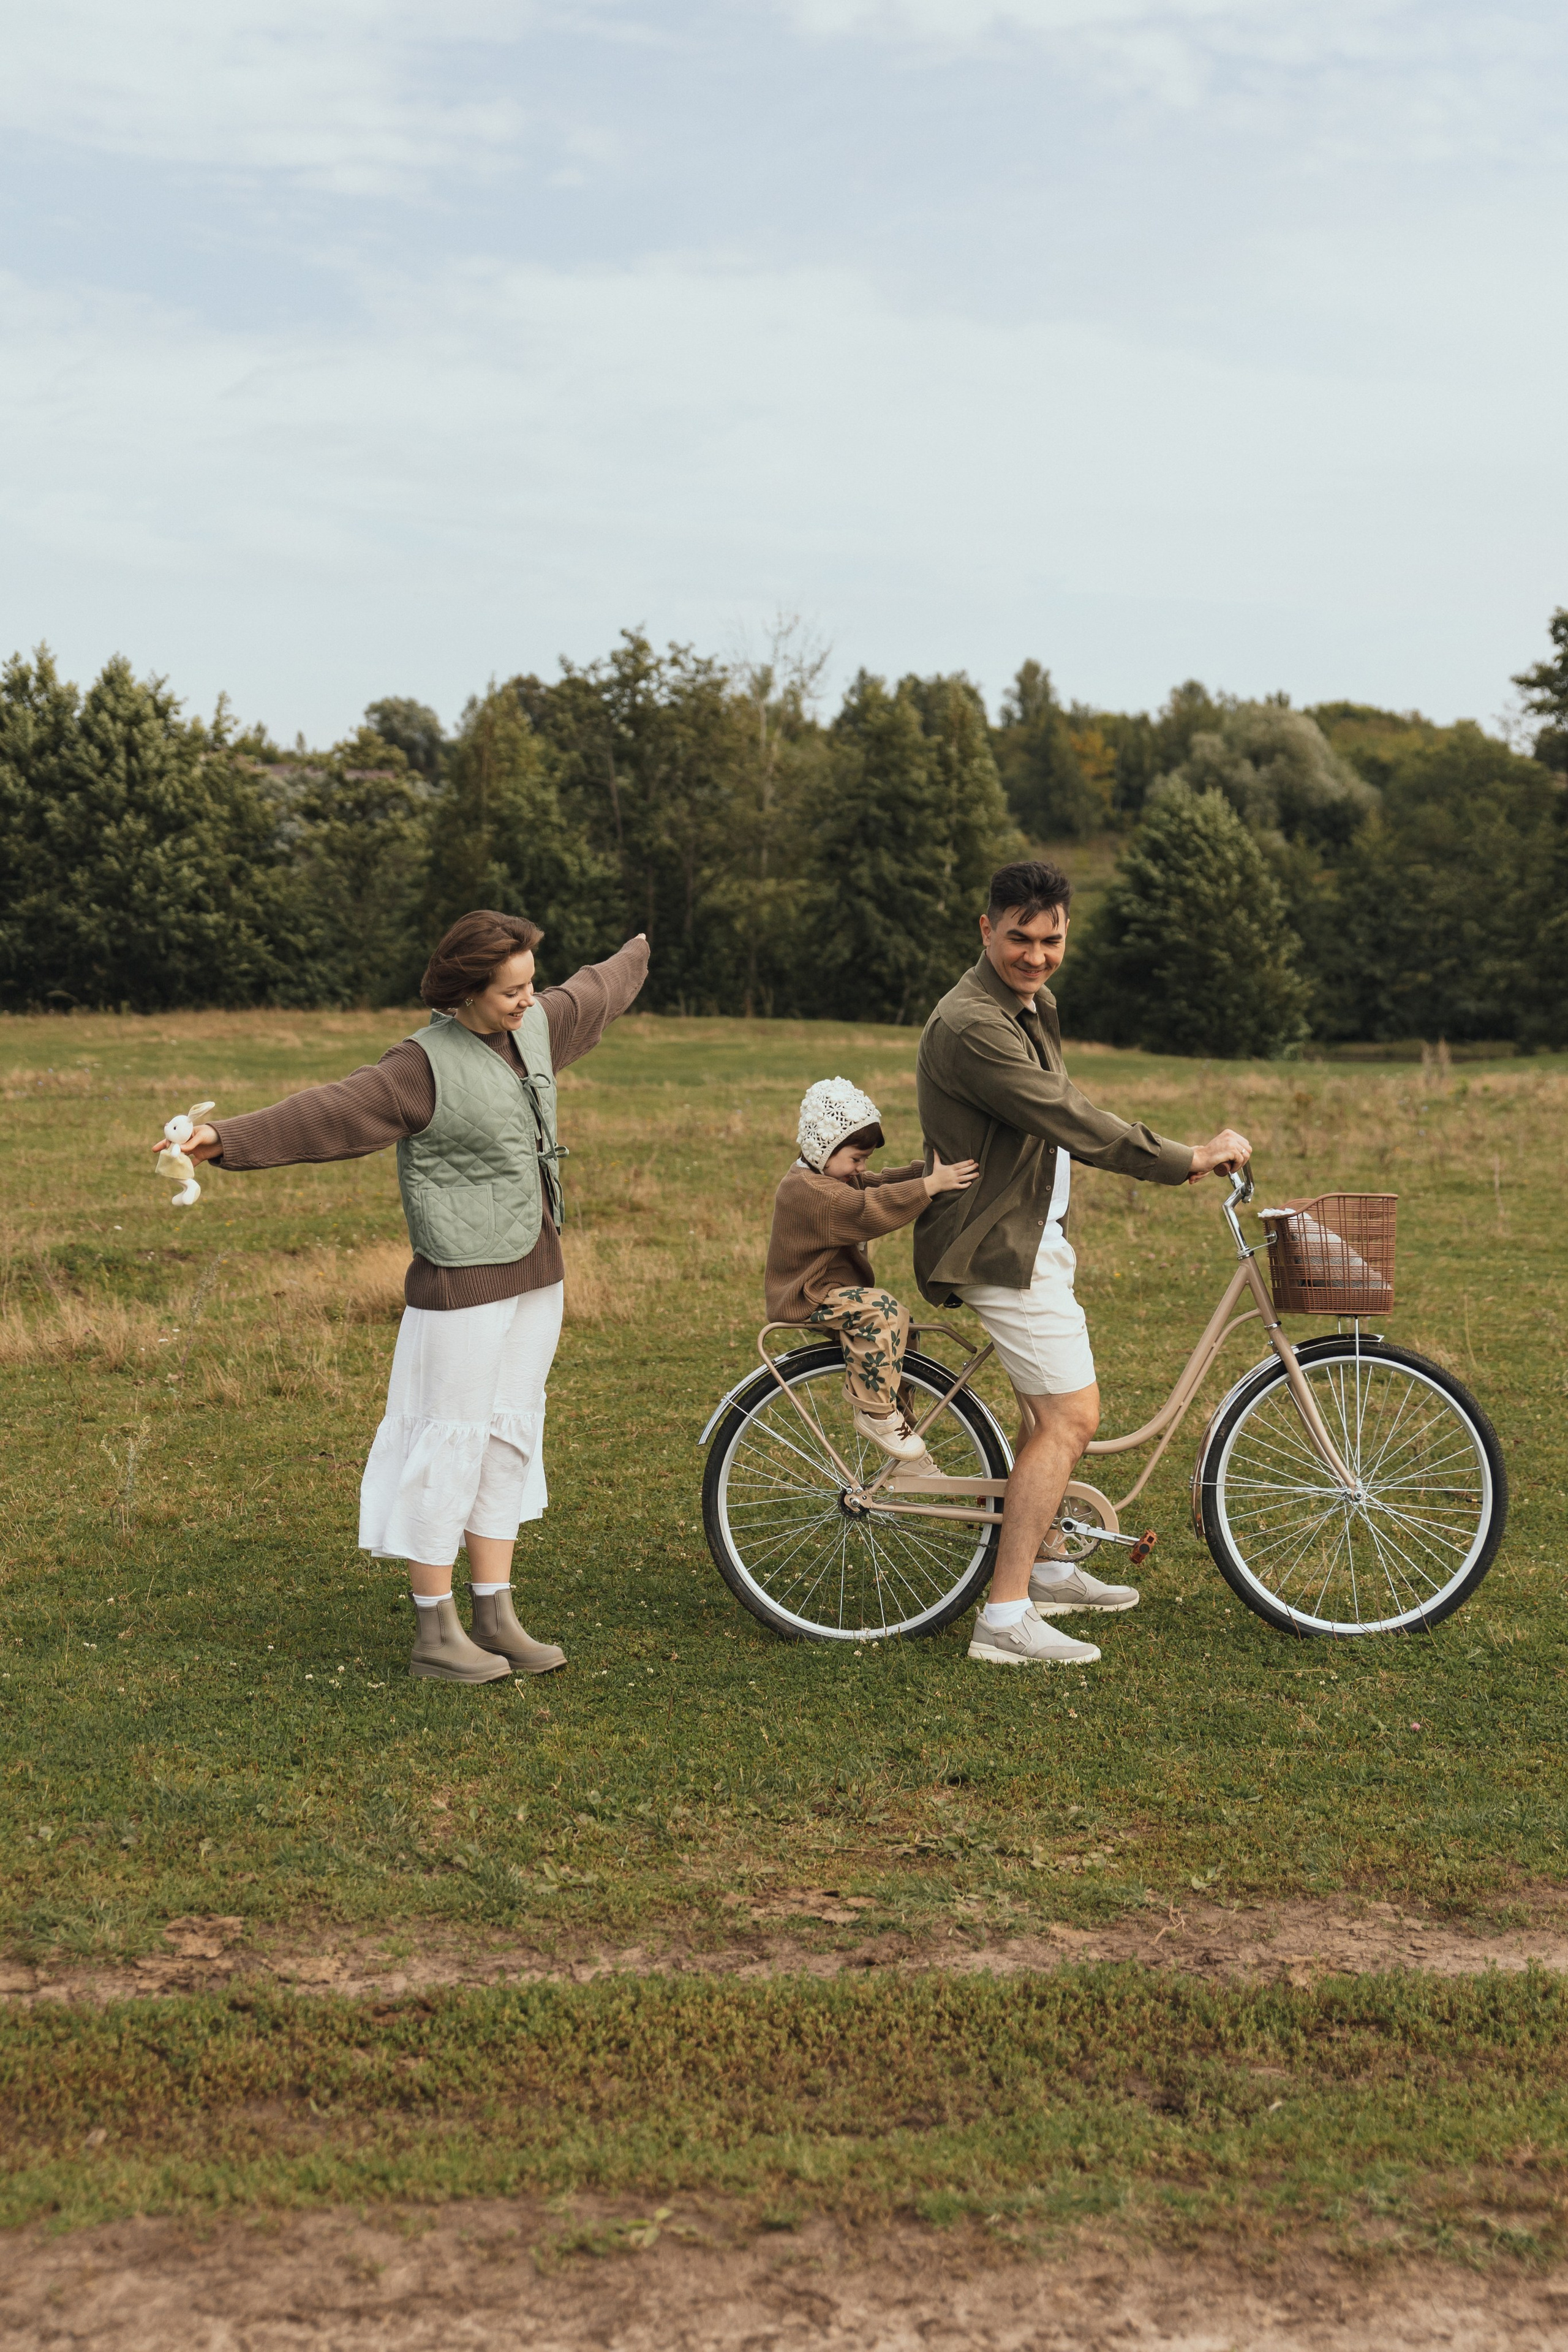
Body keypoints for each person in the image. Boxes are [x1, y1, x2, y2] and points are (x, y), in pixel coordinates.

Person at [152, 912, 649, 1686]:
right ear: (464, 992)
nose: (527, 1000)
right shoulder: (418, 1066)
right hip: (461, 1283)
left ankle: (495, 1613)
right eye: (510, 990)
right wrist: (222, 1142)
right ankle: (436, 1631)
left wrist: (644, 945)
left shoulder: (538, 1026)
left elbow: (597, 990)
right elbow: (329, 1113)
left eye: (528, 984)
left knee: (507, 1437)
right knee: (448, 1440)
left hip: (537, 1271)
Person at [915, 860, 1251, 1670]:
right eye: (1020, 938)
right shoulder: (975, 1025)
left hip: (1032, 1235)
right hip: (997, 1246)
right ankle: (1004, 1619)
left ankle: (1050, 1568)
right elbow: (1065, 1116)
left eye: (1052, 939)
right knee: (1072, 1420)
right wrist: (1186, 1158)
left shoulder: (1028, 1004)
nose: (1036, 955)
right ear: (985, 928)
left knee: (1044, 1417)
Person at [764, 1077, 978, 1460]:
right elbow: (868, 1209)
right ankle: (877, 1414)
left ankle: (903, 1441)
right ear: (824, 1149)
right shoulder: (812, 1192)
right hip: (806, 1295)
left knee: (903, 1334)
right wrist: (930, 1185)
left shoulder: (825, 1174)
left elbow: (876, 1184)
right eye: (856, 1158)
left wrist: (928, 1171)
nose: (861, 1168)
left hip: (831, 1291)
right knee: (883, 1312)